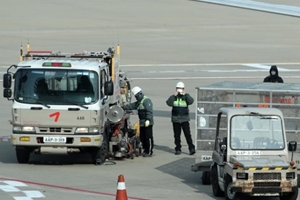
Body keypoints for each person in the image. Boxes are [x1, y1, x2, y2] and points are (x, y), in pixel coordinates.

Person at [122, 86, 154, 157]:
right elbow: (132, 106)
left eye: (136, 96)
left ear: (139, 94)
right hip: (142, 122)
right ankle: (145, 150)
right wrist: (123, 107)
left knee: (148, 137)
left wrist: (148, 119)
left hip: (147, 122)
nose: (136, 97)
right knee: (142, 137)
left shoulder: (146, 101)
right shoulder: (139, 102)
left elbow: (149, 111)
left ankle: (149, 151)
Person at [166, 81, 195, 155]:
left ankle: (191, 148)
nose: (179, 90)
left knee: (187, 134)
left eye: (181, 88)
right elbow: (168, 103)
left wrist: (186, 94)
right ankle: (178, 148)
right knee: (177, 135)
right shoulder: (174, 97)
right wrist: (173, 96)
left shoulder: (185, 97)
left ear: (183, 89)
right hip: (176, 119)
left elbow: (191, 101)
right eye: (178, 88)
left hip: (184, 119)